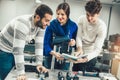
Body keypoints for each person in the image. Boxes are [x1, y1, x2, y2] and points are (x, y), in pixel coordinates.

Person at [0, 4, 53, 80]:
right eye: (47, 20)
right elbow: (18, 50)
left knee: (14, 74)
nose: (48, 24)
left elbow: (39, 45)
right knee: (6, 77)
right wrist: (21, 73)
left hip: (13, 49)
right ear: (38, 17)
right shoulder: (23, 23)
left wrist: (39, 64)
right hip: (4, 50)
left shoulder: (41, 25)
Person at [72, 0, 107, 72]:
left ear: (98, 14)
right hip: (79, 51)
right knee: (74, 73)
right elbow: (78, 36)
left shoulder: (102, 27)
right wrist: (79, 48)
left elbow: (97, 50)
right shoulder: (81, 19)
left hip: (91, 54)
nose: (89, 18)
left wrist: (86, 58)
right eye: (87, 14)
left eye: (92, 16)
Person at [43, 2, 78, 70]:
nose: (59, 17)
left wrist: (73, 42)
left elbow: (76, 42)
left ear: (67, 15)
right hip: (51, 57)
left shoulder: (73, 26)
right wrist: (53, 53)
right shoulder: (51, 25)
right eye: (58, 14)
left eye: (62, 14)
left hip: (66, 60)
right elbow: (45, 43)